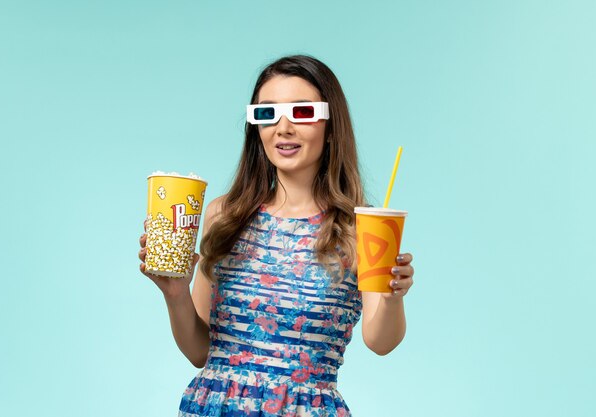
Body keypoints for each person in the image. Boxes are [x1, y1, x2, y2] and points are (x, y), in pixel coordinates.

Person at [138, 55, 415, 417]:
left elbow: (380, 342)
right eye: (267, 115)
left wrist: (394, 295)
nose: (283, 128)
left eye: (302, 113)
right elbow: (200, 352)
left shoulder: (357, 228)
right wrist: (174, 293)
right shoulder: (224, 216)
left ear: (331, 127)